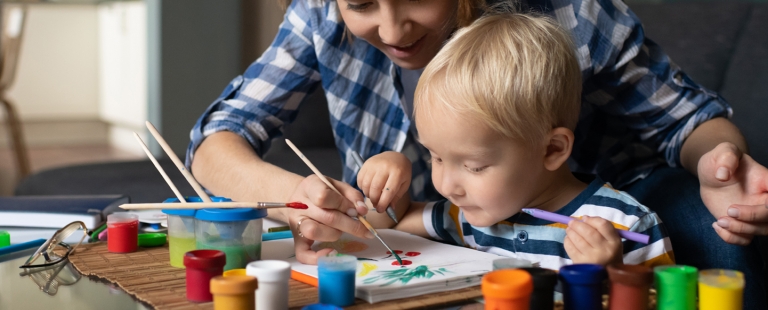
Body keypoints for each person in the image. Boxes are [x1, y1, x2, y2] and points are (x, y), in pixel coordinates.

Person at [186, 0, 767, 307]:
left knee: (721, 237)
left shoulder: (573, 12)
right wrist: (300, 197)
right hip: (443, 231)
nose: (391, 28)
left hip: (594, 207)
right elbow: (220, 136)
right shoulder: (319, 12)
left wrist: (722, 163)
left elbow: (686, 119)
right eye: (361, 2)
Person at [360, 11, 675, 270]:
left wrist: (607, 274)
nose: (447, 186)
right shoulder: (468, 217)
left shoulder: (627, 226)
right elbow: (385, 227)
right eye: (436, 158)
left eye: (475, 166)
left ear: (552, 149)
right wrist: (391, 171)